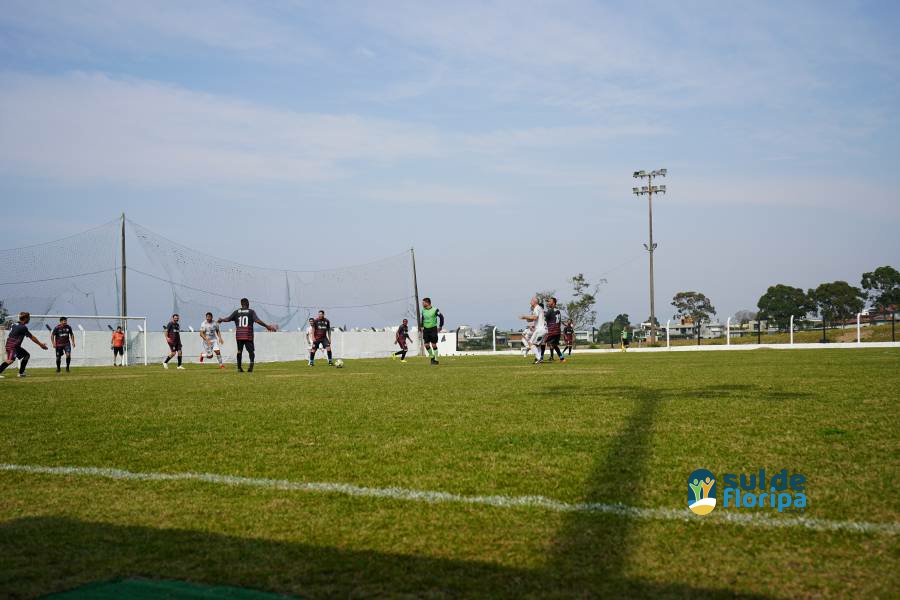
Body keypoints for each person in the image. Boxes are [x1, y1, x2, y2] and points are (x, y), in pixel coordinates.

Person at [218, 298, 276, 372]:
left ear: (241, 304)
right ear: (248, 304)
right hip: (248, 335)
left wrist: (221, 319)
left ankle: (239, 368)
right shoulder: (251, 312)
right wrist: (267, 326)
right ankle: (251, 366)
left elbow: (228, 319)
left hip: (239, 335)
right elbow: (257, 320)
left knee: (239, 351)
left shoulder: (236, 312)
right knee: (251, 351)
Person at [0, 312, 48, 378]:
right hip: (12, 346)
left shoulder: (16, 324)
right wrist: (41, 344)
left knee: (26, 355)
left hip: (14, 346)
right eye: (28, 318)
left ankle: (21, 373)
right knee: (10, 360)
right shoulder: (23, 327)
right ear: (25, 318)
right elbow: (32, 337)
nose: (29, 319)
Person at [520, 297, 547, 364]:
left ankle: (538, 358)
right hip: (543, 329)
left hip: (539, 329)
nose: (530, 302)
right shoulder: (539, 308)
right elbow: (535, 318)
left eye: (531, 301)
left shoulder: (536, 308)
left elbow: (535, 317)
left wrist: (525, 317)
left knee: (531, 343)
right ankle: (539, 358)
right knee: (538, 345)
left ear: (535, 302)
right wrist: (528, 319)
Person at [420, 297, 444, 365]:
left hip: (433, 329)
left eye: (423, 303)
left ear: (427, 303)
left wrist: (440, 326)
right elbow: (422, 318)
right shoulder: (423, 310)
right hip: (426, 329)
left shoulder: (435, 310)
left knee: (433, 345)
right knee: (426, 344)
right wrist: (421, 326)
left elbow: (441, 317)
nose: (422, 304)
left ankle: (436, 360)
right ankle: (432, 356)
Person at [543, 297, 566, 363]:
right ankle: (562, 359)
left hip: (552, 331)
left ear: (553, 303)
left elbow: (545, 317)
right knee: (554, 345)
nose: (548, 303)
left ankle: (539, 358)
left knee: (541, 342)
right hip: (558, 331)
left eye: (549, 301)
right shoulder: (558, 310)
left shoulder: (550, 310)